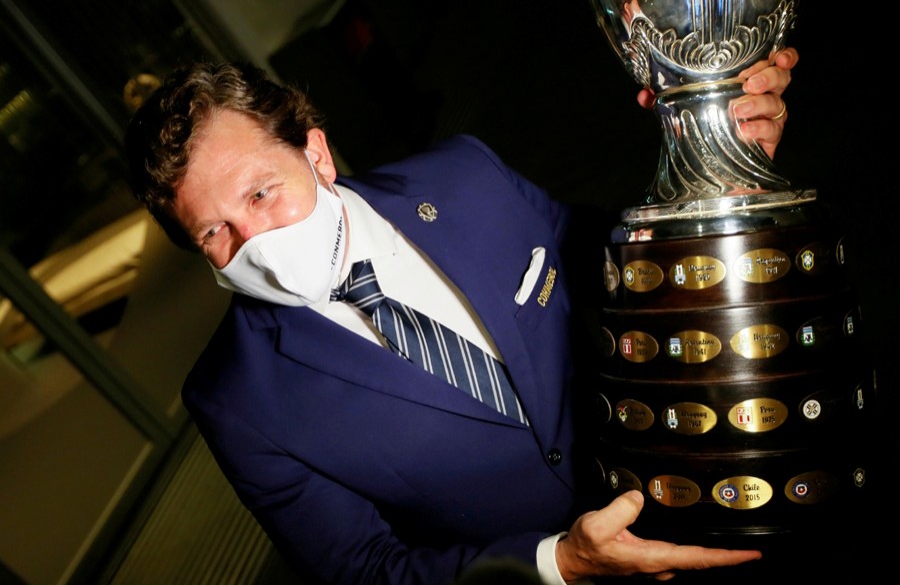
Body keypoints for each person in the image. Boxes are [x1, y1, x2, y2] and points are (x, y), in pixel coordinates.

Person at [124, 45, 798, 584]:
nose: (257, 248)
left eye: (262, 193)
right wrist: (560, 564)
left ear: (316, 154)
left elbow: (617, 265)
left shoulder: (463, 177)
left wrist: (713, 173)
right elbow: (360, 569)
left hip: (713, 482)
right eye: (215, 233)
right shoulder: (235, 401)